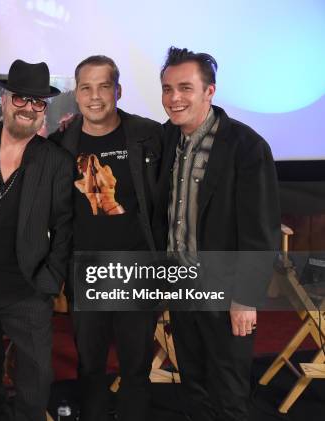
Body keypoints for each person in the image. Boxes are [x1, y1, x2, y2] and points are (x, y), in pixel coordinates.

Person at [155, 46, 280, 421]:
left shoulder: (246, 146)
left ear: (209, 91)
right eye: (166, 88)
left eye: (185, 87)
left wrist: (245, 299)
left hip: (226, 296)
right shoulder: (164, 140)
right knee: (193, 388)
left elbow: (261, 232)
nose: (174, 98)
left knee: (229, 394)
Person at [49, 55, 162, 421]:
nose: (94, 96)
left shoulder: (149, 135)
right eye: (86, 87)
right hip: (87, 272)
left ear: (118, 90)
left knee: (136, 368)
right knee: (91, 367)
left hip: (138, 270)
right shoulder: (61, 142)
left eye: (103, 86)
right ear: (77, 94)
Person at [0, 59, 74, 421]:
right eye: (21, 99)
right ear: (5, 99)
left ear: (45, 109)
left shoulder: (55, 160)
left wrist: (47, 281)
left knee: (37, 376)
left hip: (27, 286)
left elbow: (65, 227)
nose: (29, 108)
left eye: (38, 103)